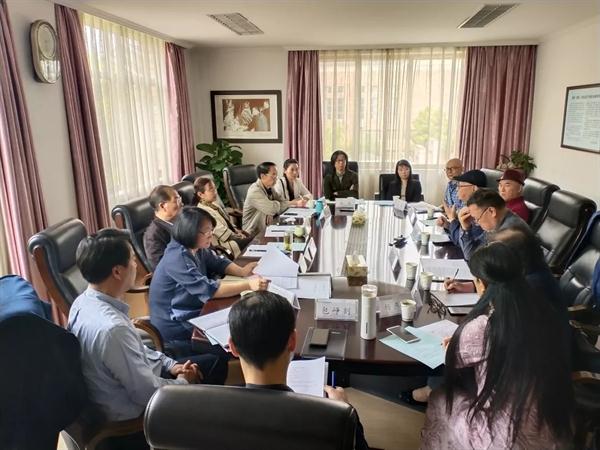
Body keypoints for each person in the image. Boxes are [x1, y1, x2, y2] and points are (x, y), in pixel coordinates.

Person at [68, 229, 224, 449]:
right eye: (132, 259)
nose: (136, 265)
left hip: (129, 384)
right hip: (135, 415)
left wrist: (171, 365)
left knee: (212, 361)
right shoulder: (113, 329)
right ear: (117, 271)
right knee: (211, 371)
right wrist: (183, 382)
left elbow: (136, 349)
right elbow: (147, 393)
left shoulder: (83, 302)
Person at [421, 242, 573, 448]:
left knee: (440, 399)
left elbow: (453, 359)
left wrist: (451, 346)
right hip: (551, 427)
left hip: (505, 437)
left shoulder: (486, 327)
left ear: (482, 285)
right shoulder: (544, 310)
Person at [228, 291, 370, 450]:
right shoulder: (332, 417)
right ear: (293, 341)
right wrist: (345, 410)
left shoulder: (213, 412)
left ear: (232, 347)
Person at [149, 207, 269, 353]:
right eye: (206, 232)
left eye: (211, 230)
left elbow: (217, 261)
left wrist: (241, 271)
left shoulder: (195, 246)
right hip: (176, 323)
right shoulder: (177, 257)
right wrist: (248, 284)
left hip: (195, 308)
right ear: (190, 232)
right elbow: (209, 290)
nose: (211, 235)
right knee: (240, 334)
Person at [458, 188, 530, 259]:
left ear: (492, 211)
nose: (477, 223)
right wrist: (466, 228)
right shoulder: (498, 224)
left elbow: (475, 259)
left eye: (477, 219)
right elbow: (471, 255)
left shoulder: (509, 235)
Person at [195, 177, 253, 259]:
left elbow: (227, 222)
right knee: (254, 242)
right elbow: (220, 229)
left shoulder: (213, 204)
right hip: (223, 244)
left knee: (254, 240)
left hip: (231, 238)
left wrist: (237, 230)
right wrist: (237, 236)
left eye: (215, 188)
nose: (215, 192)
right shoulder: (203, 212)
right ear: (200, 194)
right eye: (211, 190)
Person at [243, 162, 306, 235]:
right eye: (273, 175)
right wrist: (272, 208)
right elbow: (272, 209)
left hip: (267, 227)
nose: (276, 178)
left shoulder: (270, 188)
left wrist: (272, 209)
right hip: (253, 233)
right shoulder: (255, 191)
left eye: (276, 174)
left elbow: (283, 201)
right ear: (263, 176)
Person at [437, 170, 486, 247]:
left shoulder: (480, 211)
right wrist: (448, 225)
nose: (456, 189)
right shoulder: (468, 207)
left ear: (474, 188)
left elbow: (462, 242)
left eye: (460, 186)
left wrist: (452, 219)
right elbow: (461, 233)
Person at [144, 185, 182, 270]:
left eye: (180, 199)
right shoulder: (153, 235)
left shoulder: (181, 221)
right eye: (177, 200)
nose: (181, 203)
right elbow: (163, 268)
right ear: (162, 206)